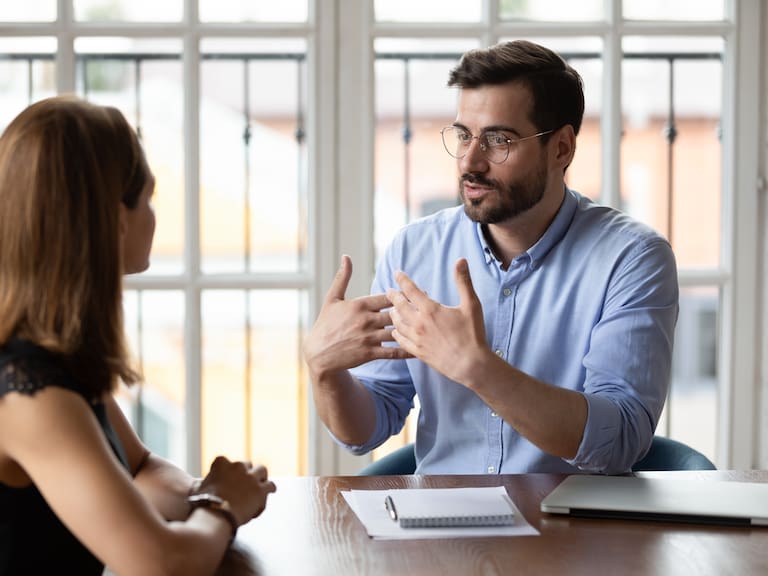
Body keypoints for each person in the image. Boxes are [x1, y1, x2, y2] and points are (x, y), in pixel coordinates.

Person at [304, 40, 679, 475]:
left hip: (574, 531)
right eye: (463, 135)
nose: (470, 161)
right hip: (443, 527)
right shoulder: (414, 251)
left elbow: (621, 441)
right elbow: (369, 427)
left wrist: (478, 368)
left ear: (561, 148)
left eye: (499, 139)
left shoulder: (632, 259)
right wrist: (324, 371)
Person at [0, 96, 276, 575]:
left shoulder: (53, 355)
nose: (153, 216)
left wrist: (205, 494)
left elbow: (141, 467)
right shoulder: (28, 391)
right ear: (110, 217)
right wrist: (222, 507)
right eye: (147, 198)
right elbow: (162, 563)